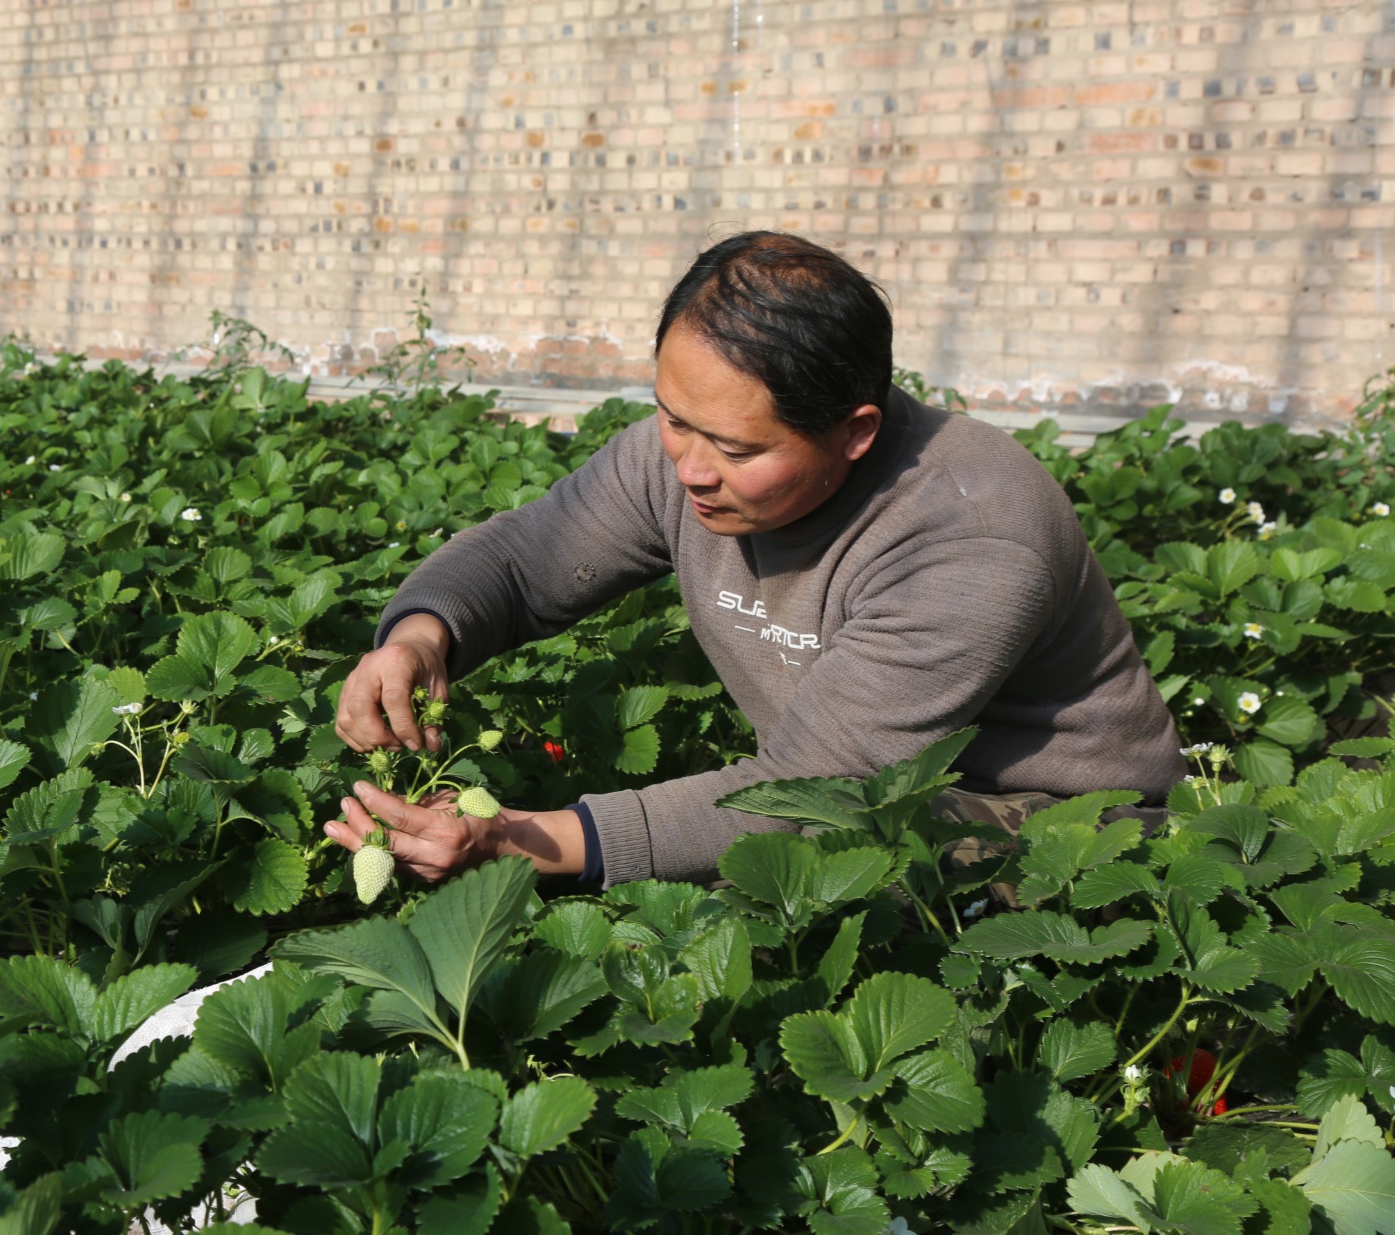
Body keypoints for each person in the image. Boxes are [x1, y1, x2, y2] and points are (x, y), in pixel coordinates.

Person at [323, 231, 1184, 888]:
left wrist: (523, 839)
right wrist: (420, 639)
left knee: (846, 877)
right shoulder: (690, 450)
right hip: (854, 782)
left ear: (855, 433)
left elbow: (813, 795)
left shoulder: (971, 538)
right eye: (671, 416)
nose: (690, 468)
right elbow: (528, 556)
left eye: (736, 448)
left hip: (1057, 827)